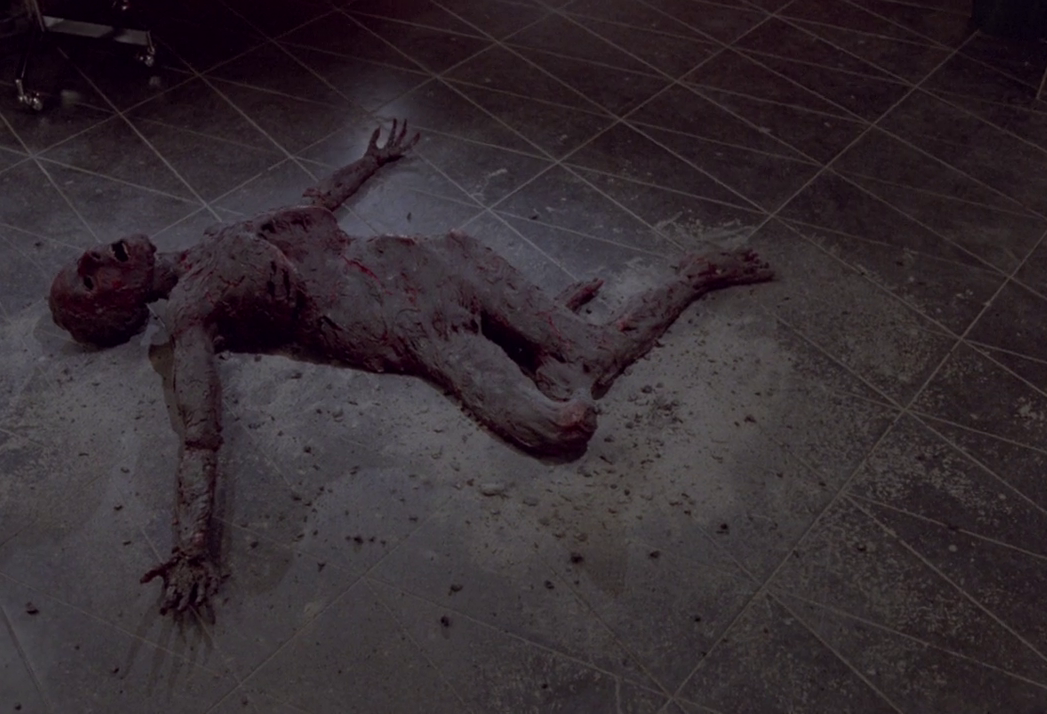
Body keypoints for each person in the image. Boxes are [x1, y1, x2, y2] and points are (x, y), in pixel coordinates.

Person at [48, 120, 774, 617]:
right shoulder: (192, 313)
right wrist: (190, 548)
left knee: (582, 369)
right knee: (563, 426)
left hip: (428, 266)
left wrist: (369, 163)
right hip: (415, 323)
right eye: (88, 280)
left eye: (84, 260)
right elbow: (201, 433)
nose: (93, 255)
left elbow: (314, 203)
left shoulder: (219, 238)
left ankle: (561, 343)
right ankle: (686, 281)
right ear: (119, 310)